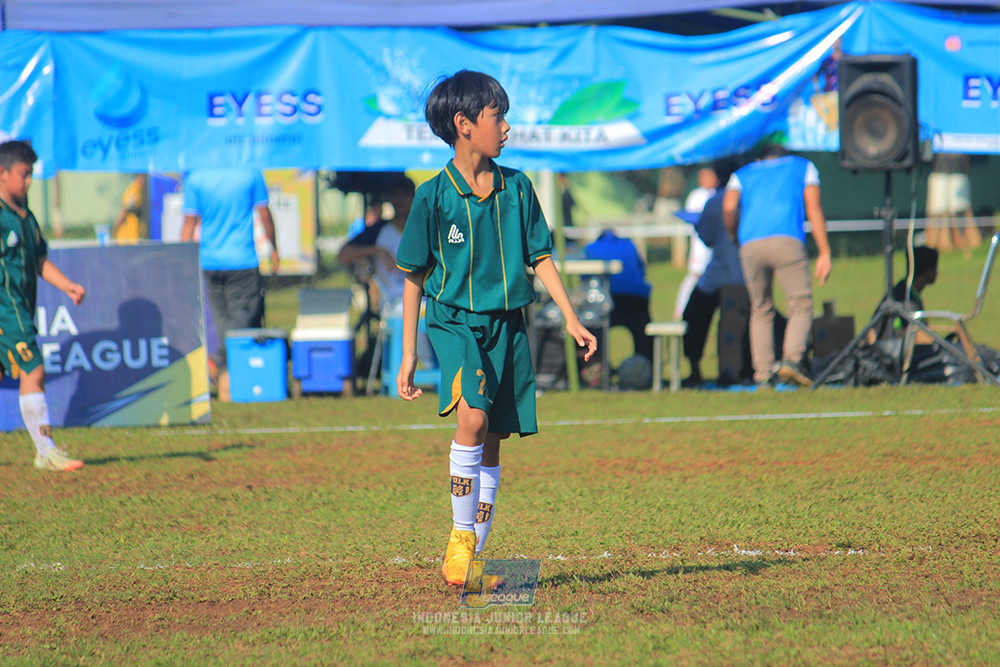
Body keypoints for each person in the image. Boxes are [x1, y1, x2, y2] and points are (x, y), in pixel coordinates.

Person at [395, 70, 597, 588]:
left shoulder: (518, 187)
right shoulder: (433, 196)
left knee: (493, 439)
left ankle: (472, 562)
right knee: (473, 419)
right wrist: (408, 353)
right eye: (497, 116)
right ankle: (459, 546)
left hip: (508, 326)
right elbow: (413, 277)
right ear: (464, 124)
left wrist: (571, 316)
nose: (506, 127)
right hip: (454, 321)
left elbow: (541, 257)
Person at [0, 140, 86, 472]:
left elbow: (39, 260)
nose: (29, 181)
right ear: (3, 173)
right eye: (24, 174)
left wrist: (67, 285)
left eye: (31, 174)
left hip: (20, 307)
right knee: (33, 369)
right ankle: (46, 452)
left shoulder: (26, 217)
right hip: (7, 309)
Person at [723, 143, 832, 387]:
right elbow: (813, 207)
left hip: (750, 244)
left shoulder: (742, 174)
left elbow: (729, 208)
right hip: (787, 239)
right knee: (801, 305)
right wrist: (824, 251)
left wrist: (735, 236)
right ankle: (792, 360)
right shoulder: (804, 167)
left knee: (760, 308)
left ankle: (762, 374)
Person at [180, 167, 278, 401]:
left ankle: (226, 380)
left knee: (224, 324)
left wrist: (182, 261)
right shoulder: (250, 172)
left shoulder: (196, 176)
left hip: (209, 262)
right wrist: (275, 248)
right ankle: (227, 376)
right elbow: (265, 215)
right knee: (240, 325)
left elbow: (189, 224)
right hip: (243, 260)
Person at [681, 160, 745, 387]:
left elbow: (707, 238)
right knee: (739, 323)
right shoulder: (750, 199)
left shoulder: (715, 201)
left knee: (693, 317)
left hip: (719, 275)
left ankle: (695, 371)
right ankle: (741, 371)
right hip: (745, 276)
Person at [584, 229, 653, 361]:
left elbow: (585, 278)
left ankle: (595, 363)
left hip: (605, 300)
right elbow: (641, 270)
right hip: (636, 299)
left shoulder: (590, 248)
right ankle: (646, 361)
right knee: (642, 328)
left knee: (591, 322)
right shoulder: (629, 245)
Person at [673, 166, 718, 319]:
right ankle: (681, 308)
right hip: (700, 245)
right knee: (695, 275)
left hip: (714, 245)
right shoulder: (697, 195)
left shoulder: (717, 193)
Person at [925, 153, 981, 254]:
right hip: (939, 172)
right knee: (939, 214)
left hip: (959, 171)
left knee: (964, 213)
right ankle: (940, 249)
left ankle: (970, 247)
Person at [112, 173, 146, 243]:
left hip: (135, 237)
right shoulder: (134, 192)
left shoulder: (141, 191)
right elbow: (124, 212)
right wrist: (115, 230)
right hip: (128, 237)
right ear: (138, 177)